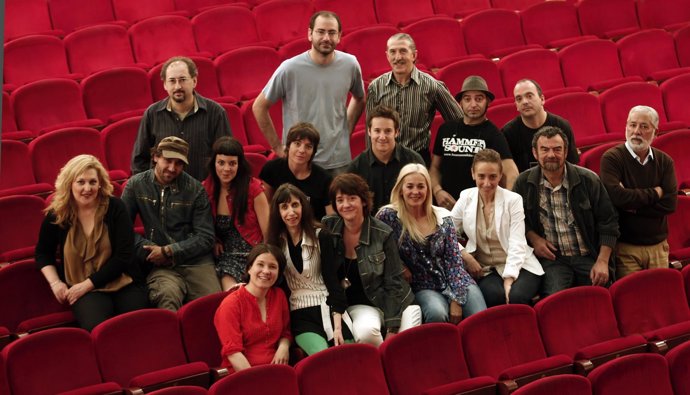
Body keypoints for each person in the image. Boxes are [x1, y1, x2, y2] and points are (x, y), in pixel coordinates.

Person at [36, 155, 149, 331]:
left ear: (100, 184)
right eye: (81, 182)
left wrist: (87, 284)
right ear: (69, 183)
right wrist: (56, 283)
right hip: (81, 286)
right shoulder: (57, 214)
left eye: (92, 182)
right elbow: (43, 253)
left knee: (138, 323)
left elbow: (124, 257)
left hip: (122, 279)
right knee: (98, 327)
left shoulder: (115, 207)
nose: (87, 188)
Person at [252, 11, 365, 175]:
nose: (326, 37)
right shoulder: (289, 68)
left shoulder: (350, 64)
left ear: (339, 36)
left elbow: (359, 98)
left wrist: (346, 130)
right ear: (310, 34)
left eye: (332, 32)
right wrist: (277, 146)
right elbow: (259, 107)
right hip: (300, 161)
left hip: (338, 161)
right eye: (320, 31)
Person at [512, 127, 619, 297]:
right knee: (554, 300)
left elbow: (609, 222)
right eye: (545, 149)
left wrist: (603, 261)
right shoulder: (524, 183)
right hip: (554, 260)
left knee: (600, 295)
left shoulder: (589, 180)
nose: (551, 155)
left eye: (557, 149)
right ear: (535, 152)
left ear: (566, 151)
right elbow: (515, 220)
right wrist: (534, 238)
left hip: (588, 255)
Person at [376, 164, 486, 323]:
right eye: (410, 186)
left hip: (456, 279)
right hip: (422, 286)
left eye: (421, 186)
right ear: (401, 189)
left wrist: (457, 299)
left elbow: (454, 261)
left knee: (480, 316)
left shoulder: (443, 216)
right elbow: (379, 248)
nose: (415, 192)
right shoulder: (388, 216)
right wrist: (399, 265)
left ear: (428, 189)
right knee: (437, 313)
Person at [122, 136, 221, 311]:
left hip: (196, 261)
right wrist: (150, 249)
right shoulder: (136, 185)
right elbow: (121, 230)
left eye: (179, 163)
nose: (172, 168)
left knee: (213, 305)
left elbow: (206, 237)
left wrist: (168, 251)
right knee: (167, 298)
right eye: (167, 160)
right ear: (155, 157)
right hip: (159, 263)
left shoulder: (196, 189)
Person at [322, 173, 421, 346]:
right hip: (361, 304)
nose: (345, 205)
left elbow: (394, 283)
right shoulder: (329, 228)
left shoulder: (383, 233)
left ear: (364, 201)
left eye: (352, 198)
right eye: (340, 200)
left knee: (403, 344)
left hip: (397, 302)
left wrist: (392, 328)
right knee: (367, 334)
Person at [267, 183, 354, 355]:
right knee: (322, 356)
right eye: (284, 207)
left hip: (328, 306)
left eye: (295, 205)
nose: (291, 212)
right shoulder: (276, 242)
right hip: (300, 313)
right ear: (278, 212)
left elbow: (332, 281)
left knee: (347, 352)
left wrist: (338, 326)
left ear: (303, 206)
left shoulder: (321, 236)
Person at [450, 149, 543, 307]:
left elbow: (517, 242)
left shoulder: (513, 200)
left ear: (500, 175)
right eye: (481, 176)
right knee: (494, 297)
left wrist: (509, 278)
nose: (487, 183)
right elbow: (446, 232)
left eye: (492, 176)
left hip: (519, 264)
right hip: (487, 269)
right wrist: (465, 255)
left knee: (516, 296)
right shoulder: (466, 197)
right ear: (473, 173)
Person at [600, 106, 677, 279]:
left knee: (659, 297)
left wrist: (632, 205)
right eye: (632, 125)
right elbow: (617, 198)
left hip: (659, 247)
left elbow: (670, 204)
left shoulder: (665, 161)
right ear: (626, 127)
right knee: (634, 302)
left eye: (644, 126)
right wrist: (655, 194)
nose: (636, 131)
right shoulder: (612, 159)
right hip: (626, 248)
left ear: (655, 132)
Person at [366, 33, 462, 164]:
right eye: (393, 52)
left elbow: (458, 122)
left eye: (403, 51)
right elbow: (370, 130)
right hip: (384, 160)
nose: (398, 57)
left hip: (418, 159)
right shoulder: (375, 87)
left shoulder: (432, 86)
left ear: (414, 55)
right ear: (387, 56)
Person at [131, 56, 232, 181]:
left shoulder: (216, 113)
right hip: (164, 193)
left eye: (183, 80)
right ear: (165, 85)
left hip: (204, 192)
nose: (178, 86)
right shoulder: (152, 114)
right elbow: (139, 159)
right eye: (172, 81)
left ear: (194, 81)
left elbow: (226, 156)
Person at [431, 76, 519, 210]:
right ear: (460, 102)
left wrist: (504, 206)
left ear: (487, 102)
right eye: (467, 99)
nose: (473, 104)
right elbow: (435, 168)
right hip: (446, 206)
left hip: (478, 208)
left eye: (479, 99)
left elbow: (511, 172)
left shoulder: (494, 135)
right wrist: (437, 191)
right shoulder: (446, 129)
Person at [203, 136, 269, 291]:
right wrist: (214, 241)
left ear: (239, 165)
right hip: (226, 256)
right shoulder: (205, 189)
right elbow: (203, 228)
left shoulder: (253, 189)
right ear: (214, 163)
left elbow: (268, 233)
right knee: (232, 290)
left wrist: (262, 260)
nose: (226, 169)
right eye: (221, 163)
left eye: (232, 163)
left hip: (255, 251)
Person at [214, 243, 291, 373]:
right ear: (249, 268)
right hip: (243, 375)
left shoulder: (279, 296)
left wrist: (284, 347)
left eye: (272, 267)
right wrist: (256, 380)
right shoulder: (230, 304)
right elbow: (233, 352)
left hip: (277, 371)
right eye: (260, 264)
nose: (266, 271)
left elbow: (286, 333)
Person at [347, 105, 424, 213]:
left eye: (388, 131)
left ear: (396, 132)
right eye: (377, 131)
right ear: (369, 131)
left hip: (408, 224)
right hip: (370, 227)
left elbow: (424, 200)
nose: (382, 137)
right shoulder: (356, 168)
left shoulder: (413, 160)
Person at [260, 122, 334, 220]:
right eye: (297, 144)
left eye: (308, 146)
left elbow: (331, 219)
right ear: (288, 146)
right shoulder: (271, 169)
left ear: (313, 152)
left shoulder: (325, 179)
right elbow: (265, 207)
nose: (302, 150)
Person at [502, 79, 579, 172]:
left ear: (542, 99)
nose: (524, 102)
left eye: (529, 96)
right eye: (519, 99)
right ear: (516, 105)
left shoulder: (562, 125)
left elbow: (572, 167)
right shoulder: (507, 133)